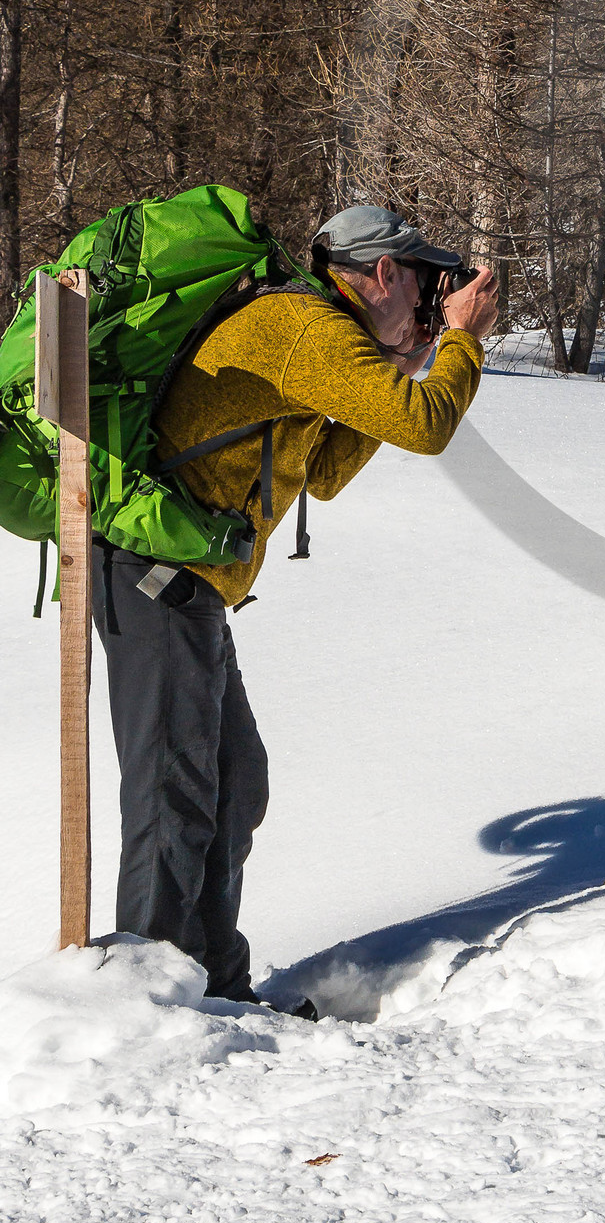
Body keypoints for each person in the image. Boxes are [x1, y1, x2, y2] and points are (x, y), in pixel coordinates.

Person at [91, 205, 498, 1009]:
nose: (426, 296)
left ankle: (215, 992)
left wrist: (411, 359)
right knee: (174, 801)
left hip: (190, 585)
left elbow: (326, 472)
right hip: (156, 577)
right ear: (381, 273)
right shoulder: (305, 327)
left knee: (234, 784)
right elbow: (426, 426)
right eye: (418, 278)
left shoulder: (316, 333)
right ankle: (148, 1011)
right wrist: (461, 342)